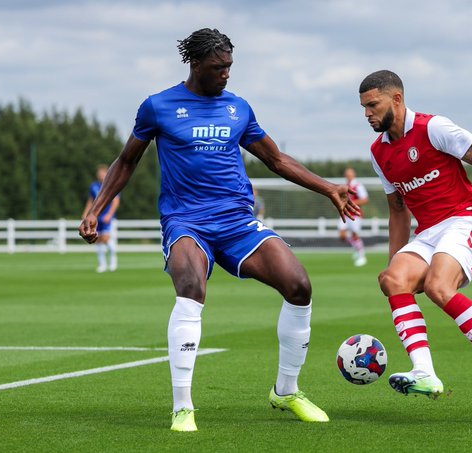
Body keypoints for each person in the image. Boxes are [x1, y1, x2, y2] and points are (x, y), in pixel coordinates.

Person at [79, 28, 359, 431]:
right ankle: (182, 406)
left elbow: (276, 160)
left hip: (237, 221)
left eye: (229, 66)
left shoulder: (238, 108)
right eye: (218, 67)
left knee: (299, 286)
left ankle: (286, 390)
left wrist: (328, 187)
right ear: (196, 65)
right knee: (191, 287)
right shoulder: (158, 106)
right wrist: (96, 208)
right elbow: (125, 162)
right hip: (187, 221)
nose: (227, 73)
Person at [359, 70, 472, 411]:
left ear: (397, 99)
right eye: (363, 107)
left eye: (373, 105)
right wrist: (397, 258)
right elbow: (397, 209)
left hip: (466, 218)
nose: (367, 114)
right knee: (391, 279)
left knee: (438, 286)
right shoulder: (379, 153)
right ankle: (424, 373)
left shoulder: (433, 128)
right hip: (428, 232)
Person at [81, 164, 120, 273]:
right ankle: (102, 264)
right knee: (97, 240)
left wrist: (110, 214)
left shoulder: (111, 185)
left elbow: (116, 201)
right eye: (99, 173)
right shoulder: (94, 186)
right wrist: (86, 213)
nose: (101, 175)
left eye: (103, 173)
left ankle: (113, 261)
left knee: (106, 240)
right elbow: (90, 200)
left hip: (107, 218)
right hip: (96, 218)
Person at [338, 167, 369, 266]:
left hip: (355, 214)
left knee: (355, 235)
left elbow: (364, 200)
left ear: (353, 175)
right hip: (345, 214)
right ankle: (356, 248)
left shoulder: (358, 186)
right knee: (342, 235)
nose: (348, 175)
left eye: (350, 174)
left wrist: (350, 203)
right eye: (347, 174)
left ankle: (362, 256)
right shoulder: (344, 186)